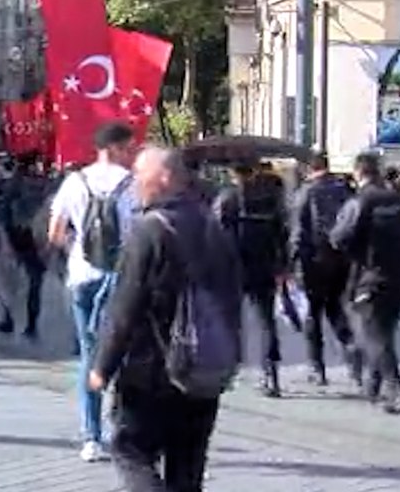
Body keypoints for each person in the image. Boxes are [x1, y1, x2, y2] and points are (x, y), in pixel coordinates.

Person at [89, 146, 242, 491]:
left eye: (140, 177)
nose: (134, 185)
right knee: (187, 468)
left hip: (152, 370)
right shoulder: (212, 225)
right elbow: (233, 294)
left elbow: (124, 307)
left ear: (164, 178)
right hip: (204, 369)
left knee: (130, 450)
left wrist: (102, 366)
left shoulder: (149, 230)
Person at [47, 120, 137, 463]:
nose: (130, 155)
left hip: (82, 275)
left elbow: (55, 233)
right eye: (128, 148)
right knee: (125, 351)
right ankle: (122, 427)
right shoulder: (131, 185)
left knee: (89, 354)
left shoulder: (74, 181)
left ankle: (91, 437)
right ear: (112, 147)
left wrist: (79, 248)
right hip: (121, 277)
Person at [330, 151, 400, 414]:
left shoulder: (360, 201)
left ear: (358, 173)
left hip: (369, 276)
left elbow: (339, 238)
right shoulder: (398, 201)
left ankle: (395, 388)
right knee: (385, 331)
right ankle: (373, 386)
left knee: (372, 335)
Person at [287, 153, 360, 387]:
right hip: (341, 260)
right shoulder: (344, 190)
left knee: (312, 314)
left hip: (313, 262)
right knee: (336, 308)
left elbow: (298, 231)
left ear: (309, 169)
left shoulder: (305, 193)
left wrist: (291, 263)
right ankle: (351, 351)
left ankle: (316, 368)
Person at [214, 162, 286, 397]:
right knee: (267, 321)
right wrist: (282, 266)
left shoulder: (227, 198)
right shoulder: (268, 198)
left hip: (233, 267)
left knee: (230, 319)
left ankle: (231, 367)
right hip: (264, 265)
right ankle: (271, 374)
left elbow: (214, 233)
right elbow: (281, 233)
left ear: (233, 174)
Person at [0, 153, 50, 339]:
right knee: (35, 283)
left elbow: (3, 210)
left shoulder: (15, 183)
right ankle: (31, 325)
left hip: (17, 235)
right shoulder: (45, 184)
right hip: (39, 238)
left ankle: (8, 320)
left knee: (11, 282)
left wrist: (4, 237)